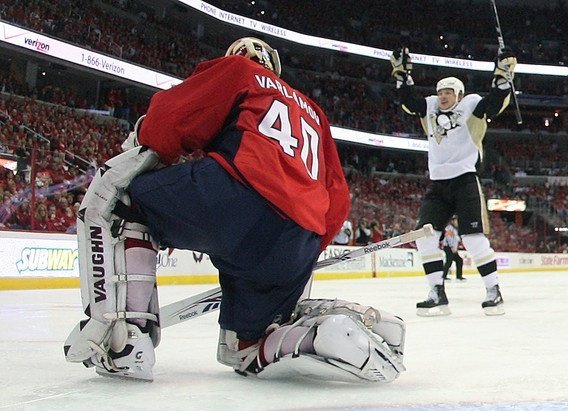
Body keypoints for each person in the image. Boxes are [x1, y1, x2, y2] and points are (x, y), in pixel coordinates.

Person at [64, 37, 406, 383]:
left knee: (123, 200)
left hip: (236, 194)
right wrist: (299, 255)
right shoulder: (314, 112)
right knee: (246, 349)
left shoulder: (240, 70)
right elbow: (338, 200)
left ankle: (126, 339)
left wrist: (147, 140)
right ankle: (322, 335)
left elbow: (171, 121)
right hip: (299, 235)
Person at [389, 47, 517, 316]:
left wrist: (502, 79)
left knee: (472, 239)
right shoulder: (430, 107)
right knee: (425, 237)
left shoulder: (470, 105)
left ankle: (493, 291)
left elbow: (493, 103)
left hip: (465, 180)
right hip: (438, 184)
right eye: (440, 92)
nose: (443, 96)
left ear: (459, 95)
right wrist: (402, 74)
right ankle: (437, 293)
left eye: (449, 92)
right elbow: (410, 101)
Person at [441, 216, 465, 281]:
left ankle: (459, 276)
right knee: (449, 261)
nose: (457, 222)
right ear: (452, 221)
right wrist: (452, 246)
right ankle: (443, 276)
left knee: (459, 260)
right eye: (456, 221)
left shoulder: (455, 229)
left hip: (452, 248)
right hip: (449, 247)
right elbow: (448, 237)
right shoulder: (449, 228)